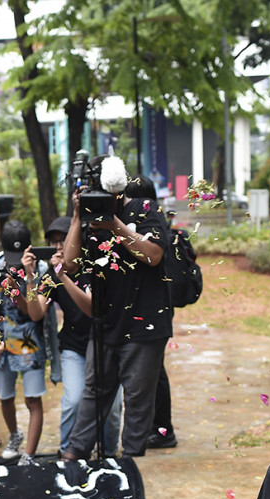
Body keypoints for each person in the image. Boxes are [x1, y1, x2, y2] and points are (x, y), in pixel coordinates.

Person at [60, 167, 173, 460]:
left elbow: (154, 254)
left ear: (117, 189)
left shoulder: (144, 208)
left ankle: (131, 461)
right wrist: (76, 216)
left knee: (137, 398)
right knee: (94, 392)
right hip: (104, 323)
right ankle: (75, 452)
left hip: (144, 324)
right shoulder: (86, 219)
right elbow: (70, 266)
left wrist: (114, 225)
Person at [45, 216, 122, 455]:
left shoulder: (94, 266)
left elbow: (91, 305)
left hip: (106, 346)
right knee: (75, 401)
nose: (59, 248)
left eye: (64, 241)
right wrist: (28, 277)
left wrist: (64, 278)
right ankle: (67, 450)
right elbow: (36, 311)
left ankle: (109, 453)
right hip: (74, 348)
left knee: (112, 408)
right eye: (54, 243)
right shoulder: (51, 273)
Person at [0, 220, 49, 463]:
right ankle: (14, 436)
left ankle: (29, 452)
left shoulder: (41, 268)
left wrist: (24, 280)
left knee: (32, 397)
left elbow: (32, 313)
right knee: (5, 395)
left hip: (27, 341)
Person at [126, 176, 179, 450]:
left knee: (154, 373)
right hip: (159, 308)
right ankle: (159, 427)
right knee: (155, 371)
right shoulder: (157, 220)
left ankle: (162, 429)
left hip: (154, 310)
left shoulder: (150, 222)